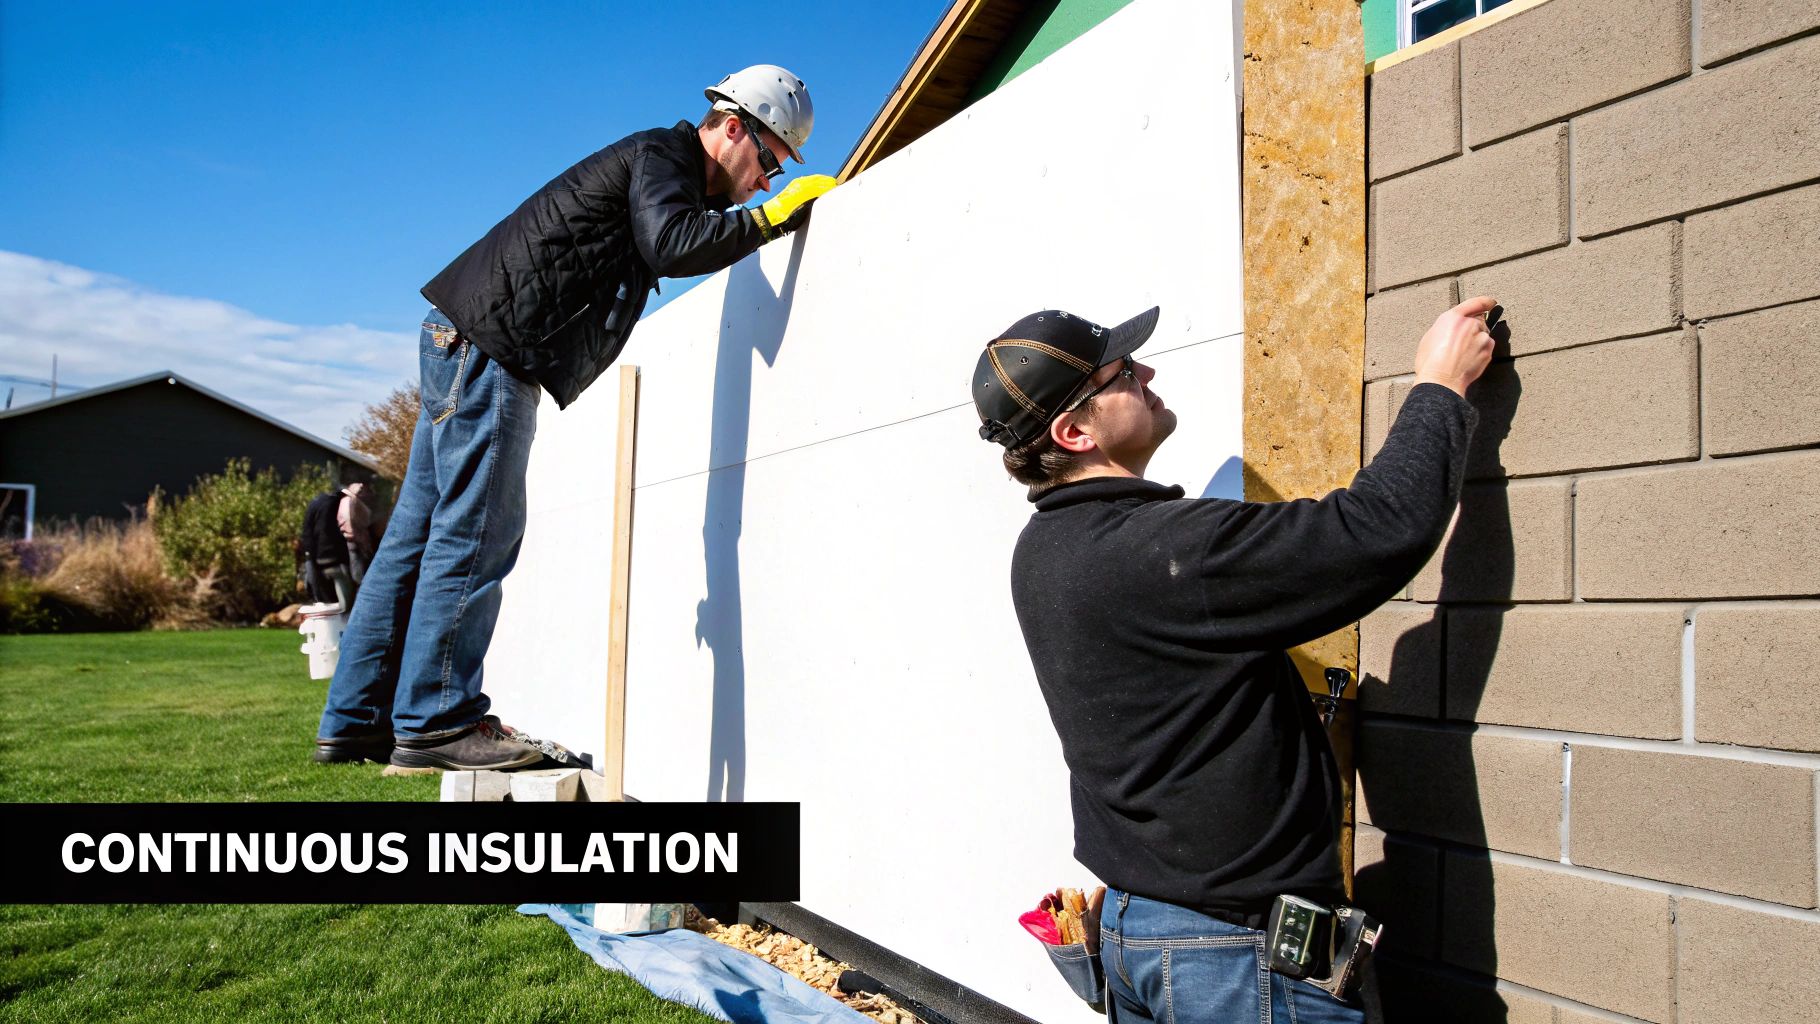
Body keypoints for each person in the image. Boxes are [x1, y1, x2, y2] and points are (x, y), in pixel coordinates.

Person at [971, 299, 1498, 1023]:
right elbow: (1380, 529)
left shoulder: (1045, 551)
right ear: (1075, 430)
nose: (1147, 371)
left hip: (1142, 933)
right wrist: (1441, 386)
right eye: (1122, 372)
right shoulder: (1160, 551)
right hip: (1227, 959)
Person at [314, 65, 837, 771]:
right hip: (494, 349)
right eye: (771, 160)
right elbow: (673, 243)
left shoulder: (661, 162)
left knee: (414, 536)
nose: (770, 180)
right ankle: (439, 720)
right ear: (735, 127)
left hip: (463, 340)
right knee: (476, 535)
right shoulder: (665, 155)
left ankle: (355, 719)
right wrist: (771, 222)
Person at [299, 489, 355, 610]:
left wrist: (309, 553)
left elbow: (308, 531)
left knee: (321, 593)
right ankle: (343, 616)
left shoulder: (316, 502)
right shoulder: (336, 503)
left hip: (317, 554)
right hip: (333, 556)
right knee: (343, 593)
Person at [336, 481, 378, 584]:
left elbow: (340, 519)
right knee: (363, 565)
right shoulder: (356, 502)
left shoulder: (344, 501)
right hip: (359, 538)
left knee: (356, 566)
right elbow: (367, 519)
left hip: (349, 538)